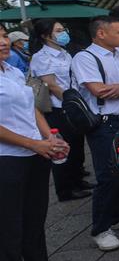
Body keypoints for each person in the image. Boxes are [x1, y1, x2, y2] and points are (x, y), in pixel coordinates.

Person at [0, 22, 74, 261]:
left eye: (4, 36)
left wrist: (50, 139)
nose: (3, 42)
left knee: (35, 210)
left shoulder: (11, 71)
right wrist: (34, 143)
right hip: (7, 157)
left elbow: (32, 109)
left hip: (35, 150)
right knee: (8, 219)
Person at [72, 16, 119, 251]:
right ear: (101, 33)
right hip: (104, 123)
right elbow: (100, 91)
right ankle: (101, 228)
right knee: (107, 175)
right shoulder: (85, 58)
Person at [29, 19, 90, 202]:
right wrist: (73, 102)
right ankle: (65, 189)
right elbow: (53, 86)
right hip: (58, 108)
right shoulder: (41, 57)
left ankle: (78, 180)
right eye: (58, 30)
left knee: (77, 146)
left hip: (72, 105)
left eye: (63, 29)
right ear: (45, 35)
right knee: (62, 147)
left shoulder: (64, 53)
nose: (63, 33)